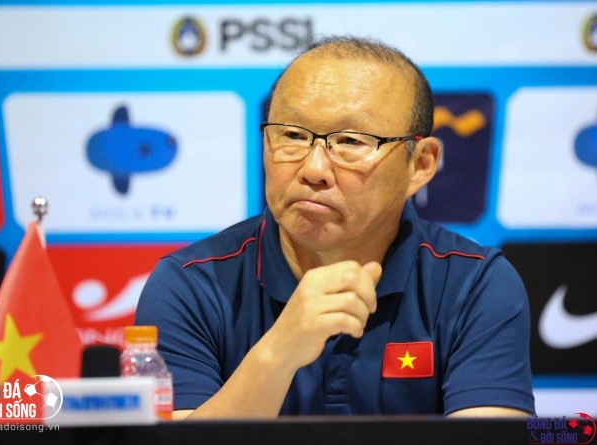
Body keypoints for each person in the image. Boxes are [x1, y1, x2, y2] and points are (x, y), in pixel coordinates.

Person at [135, 36, 535, 419]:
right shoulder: (191, 284)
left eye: (351, 141)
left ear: (421, 164)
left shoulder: (474, 284)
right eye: (292, 135)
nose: (313, 169)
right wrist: (278, 353)